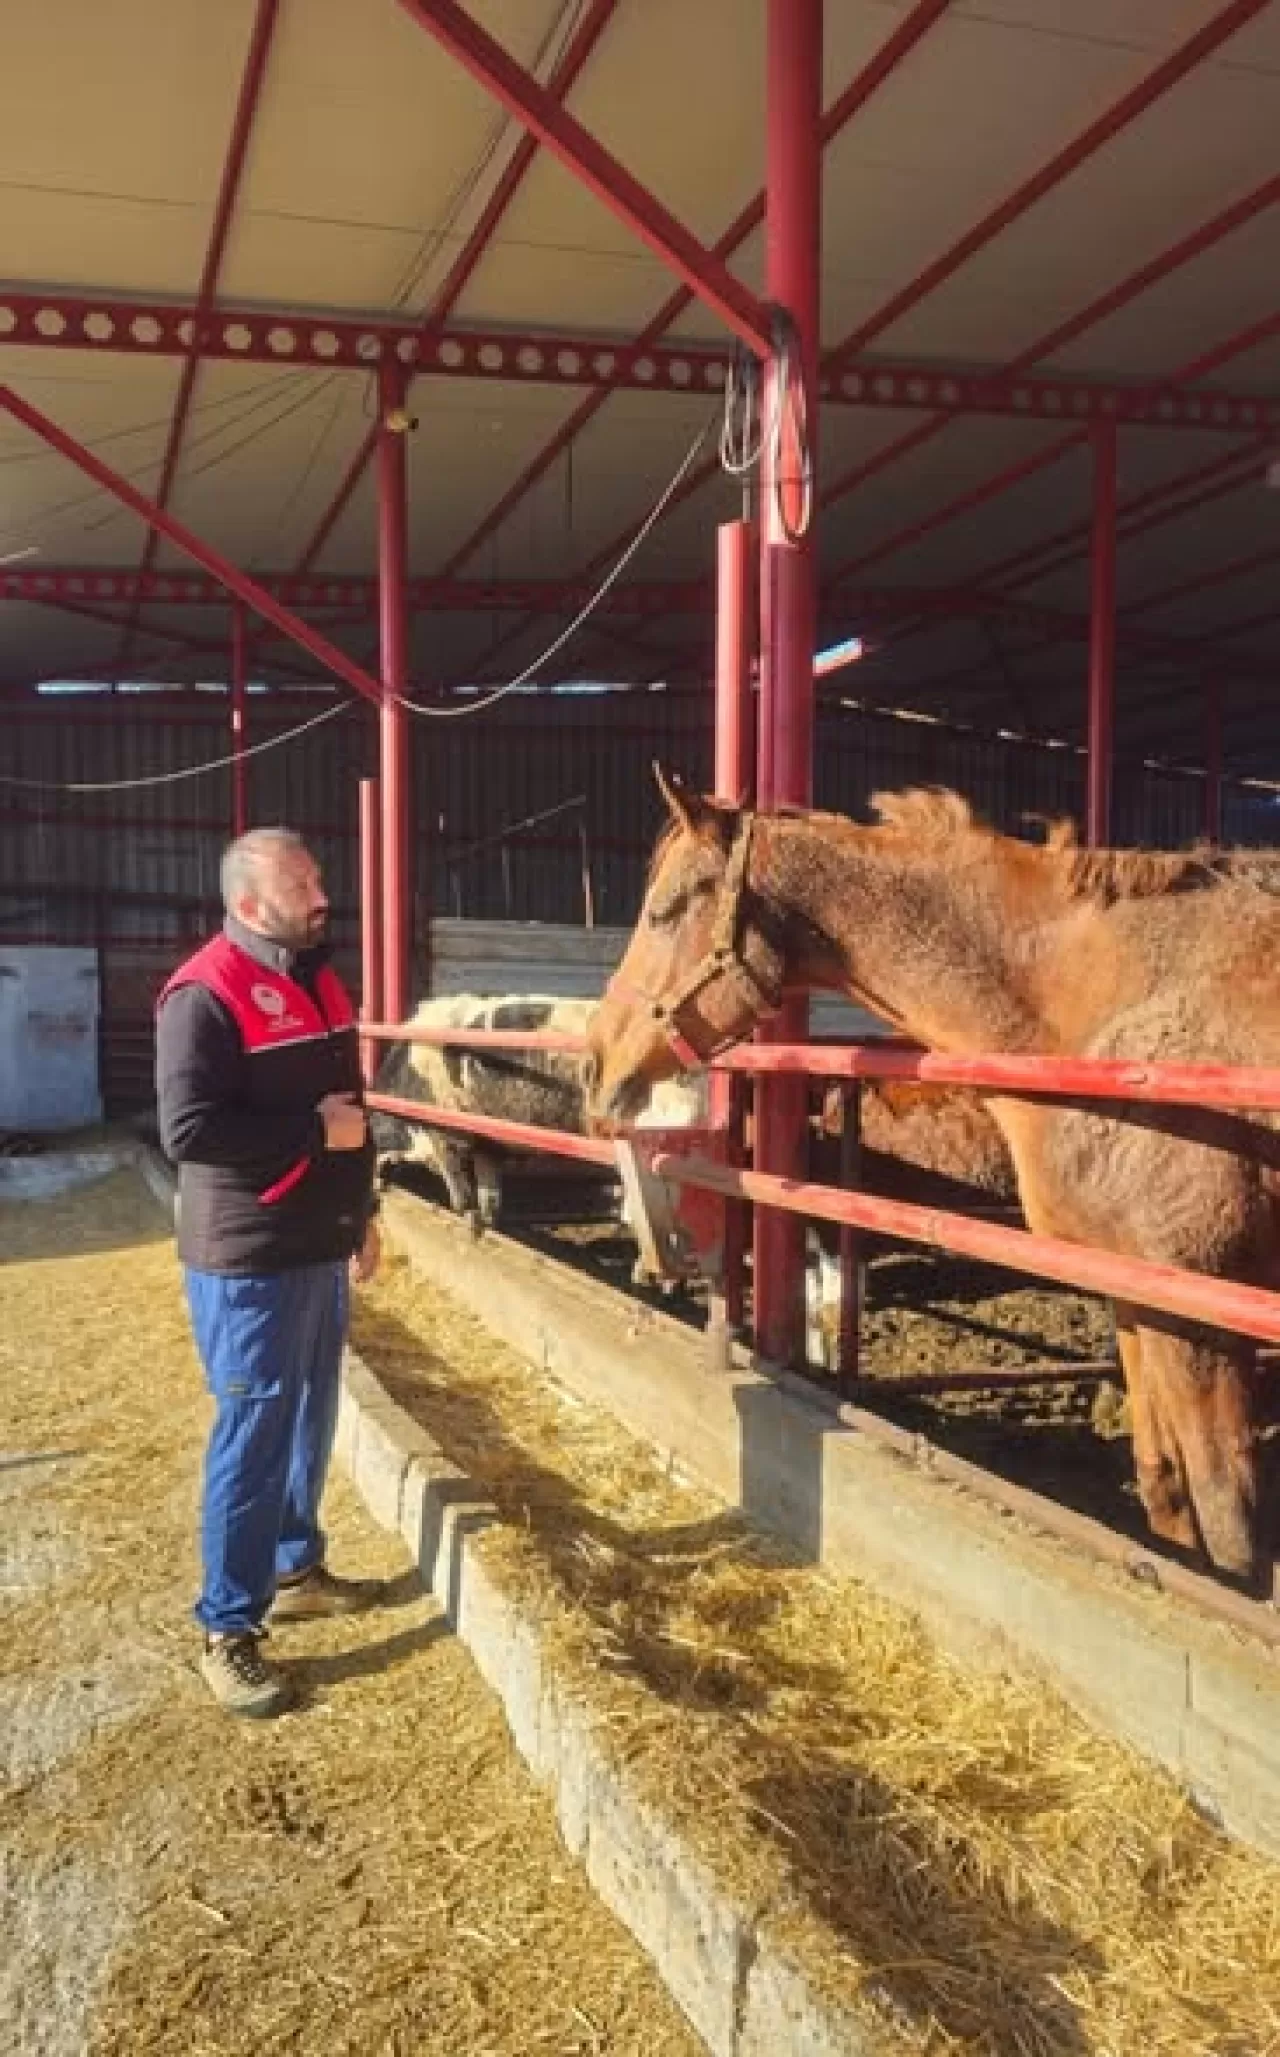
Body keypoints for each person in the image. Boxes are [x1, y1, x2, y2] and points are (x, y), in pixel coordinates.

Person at [155, 827, 383, 1719]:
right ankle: (227, 1629)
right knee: (253, 1430)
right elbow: (189, 1130)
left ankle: (295, 1567)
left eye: (318, 876)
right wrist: (311, 1134)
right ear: (250, 903)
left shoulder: (321, 978)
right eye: (302, 883)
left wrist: (363, 1210)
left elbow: (353, 1110)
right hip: (248, 1257)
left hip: (319, 1243)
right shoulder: (204, 993)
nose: (321, 894)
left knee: (309, 1417)